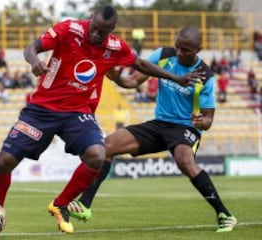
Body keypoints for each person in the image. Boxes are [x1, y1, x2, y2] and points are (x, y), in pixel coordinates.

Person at [0, 6, 200, 239]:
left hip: (78, 113)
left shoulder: (115, 47)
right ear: (90, 18)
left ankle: (60, 204)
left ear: (111, 30)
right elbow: (32, 47)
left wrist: (176, 77)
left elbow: (141, 65)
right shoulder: (69, 29)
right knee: (5, 161)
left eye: (102, 32)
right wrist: (34, 61)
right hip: (42, 109)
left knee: (97, 154)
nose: (96, 34)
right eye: (94, 28)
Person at [67, 26, 237, 233]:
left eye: (186, 50)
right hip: (159, 124)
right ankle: (85, 205)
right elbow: (132, 81)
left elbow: (208, 118)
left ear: (198, 50)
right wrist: (117, 78)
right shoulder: (163, 55)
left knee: (185, 161)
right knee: (106, 146)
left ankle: (224, 215)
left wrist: (202, 122)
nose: (180, 52)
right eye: (178, 47)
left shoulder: (206, 77)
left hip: (185, 127)